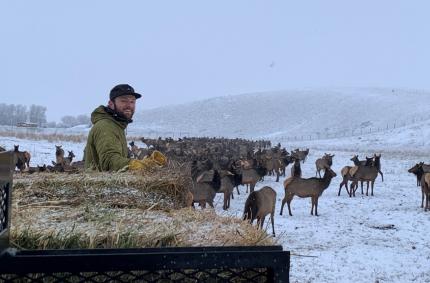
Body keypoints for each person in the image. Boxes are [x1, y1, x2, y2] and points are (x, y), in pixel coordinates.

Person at [84, 84, 166, 171]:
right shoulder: (105, 126)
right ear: (111, 104)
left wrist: (148, 162)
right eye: (123, 101)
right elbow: (109, 162)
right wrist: (138, 166)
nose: (129, 105)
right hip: (103, 184)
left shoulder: (117, 126)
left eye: (132, 102)